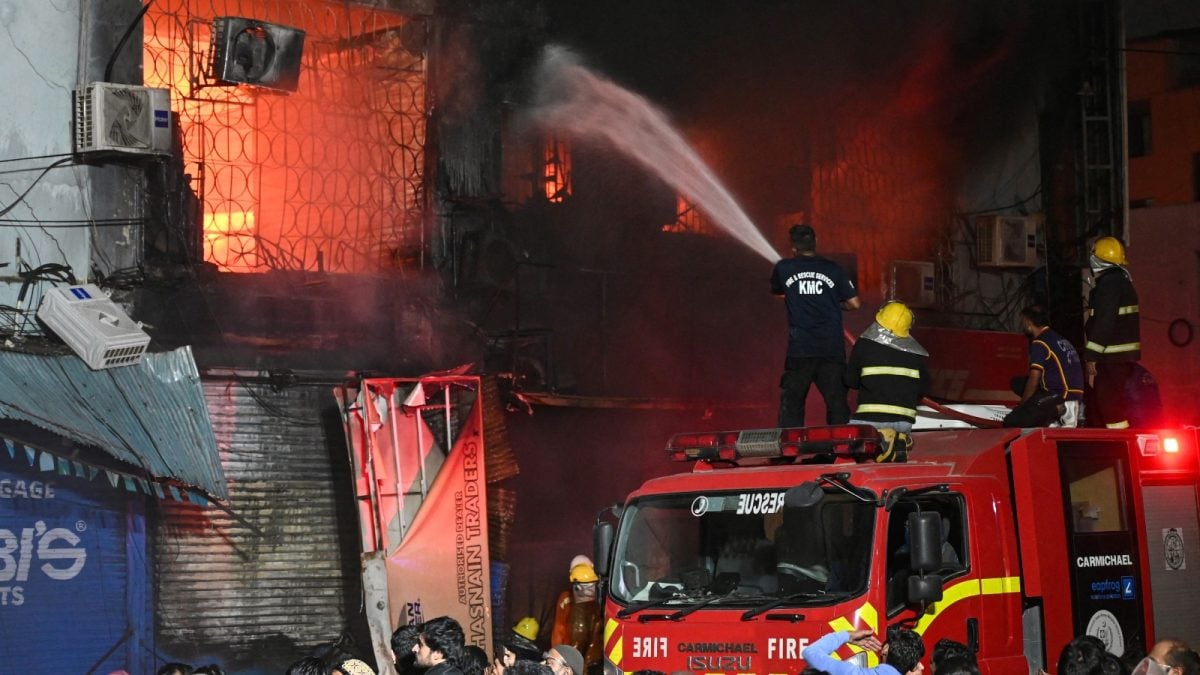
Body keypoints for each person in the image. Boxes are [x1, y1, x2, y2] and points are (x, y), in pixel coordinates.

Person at [770, 223, 861, 427]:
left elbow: (778, 292)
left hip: (800, 349)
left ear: (792, 247)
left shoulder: (783, 268)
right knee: (837, 404)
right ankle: (839, 449)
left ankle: (789, 451)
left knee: (792, 405)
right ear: (816, 242)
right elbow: (855, 303)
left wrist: (799, 297)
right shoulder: (833, 269)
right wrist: (832, 303)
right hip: (831, 349)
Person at [845, 302, 929, 461]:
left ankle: (887, 440)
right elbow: (924, 387)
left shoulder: (864, 344)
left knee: (849, 451)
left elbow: (850, 381)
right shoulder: (916, 353)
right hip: (903, 423)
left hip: (868, 422)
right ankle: (899, 440)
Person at [1084, 236, 1141, 429]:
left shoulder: (1109, 285)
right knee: (1108, 402)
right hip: (1116, 356)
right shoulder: (1120, 282)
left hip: (1111, 356)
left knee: (1108, 402)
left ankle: (1120, 445)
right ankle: (1117, 442)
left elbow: (1103, 323)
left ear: (1096, 260)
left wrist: (1092, 356)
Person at [1003, 305, 1084, 428]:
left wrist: (1022, 407)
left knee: (1011, 421)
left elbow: (1034, 379)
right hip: (1071, 391)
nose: (1023, 326)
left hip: (1062, 395)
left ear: (1029, 322)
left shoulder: (1040, 342)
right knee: (1017, 383)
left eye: (1023, 322)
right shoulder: (1056, 337)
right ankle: (1051, 415)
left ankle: (1064, 409)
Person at [802, 626, 925, 675]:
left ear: (885, 649)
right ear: (913, 667)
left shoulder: (851, 673)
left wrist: (847, 636)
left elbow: (811, 652)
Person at [550, 562, 603, 672]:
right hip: (569, 653)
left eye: (592, 585)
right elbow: (559, 628)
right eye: (588, 586)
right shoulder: (567, 600)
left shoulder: (596, 606)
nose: (590, 590)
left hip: (590, 659)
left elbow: (596, 635)